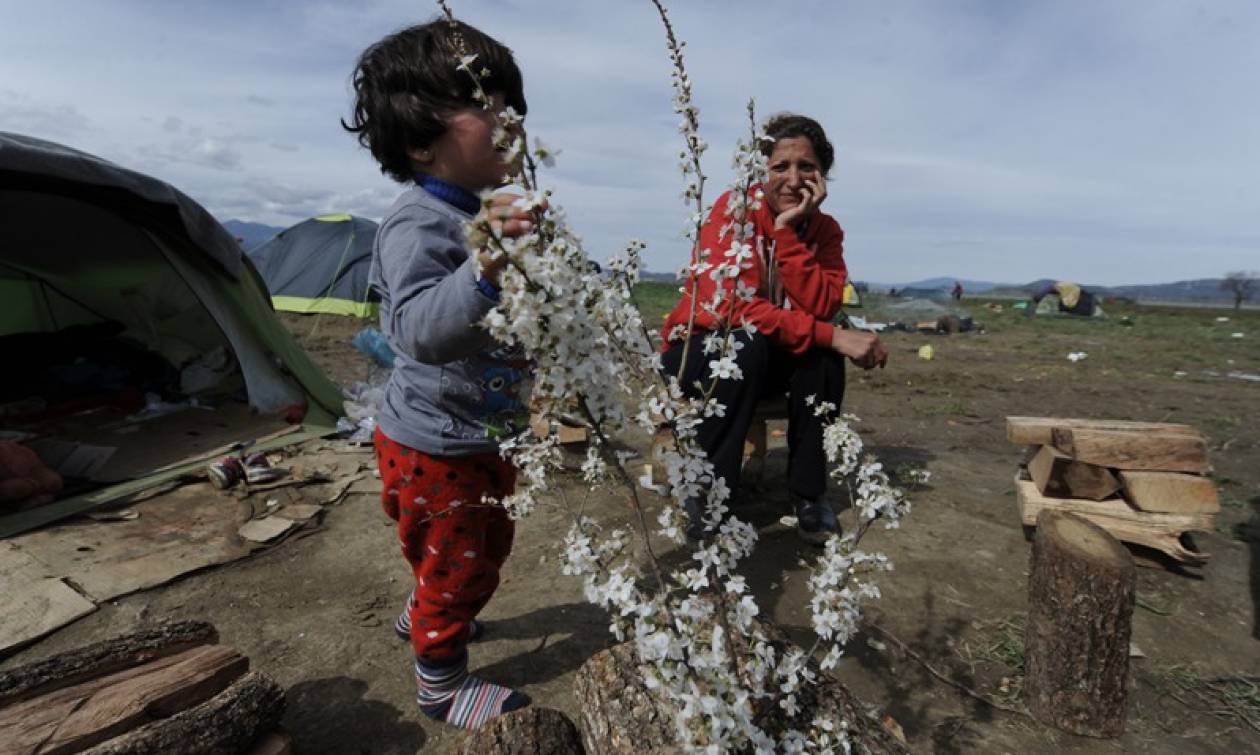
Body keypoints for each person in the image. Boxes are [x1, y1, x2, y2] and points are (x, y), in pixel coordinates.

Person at [343, 18, 536, 730]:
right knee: (464, 564)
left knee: (474, 551)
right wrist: (486, 265)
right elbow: (421, 331)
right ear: (421, 142)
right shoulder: (418, 223)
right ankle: (441, 684)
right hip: (435, 443)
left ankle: (427, 606)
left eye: (512, 101)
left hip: (479, 432)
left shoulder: (481, 212)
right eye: (485, 104)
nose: (508, 118)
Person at [660, 113, 887, 543]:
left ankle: (809, 494)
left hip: (767, 360)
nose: (793, 178)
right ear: (760, 172)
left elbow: (821, 305)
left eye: (807, 167)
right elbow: (732, 308)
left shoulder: (825, 231)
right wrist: (834, 334)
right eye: (780, 167)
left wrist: (786, 235)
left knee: (821, 352)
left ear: (822, 176)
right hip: (702, 352)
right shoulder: (734, 210)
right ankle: (708, 492)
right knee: (746, 344)